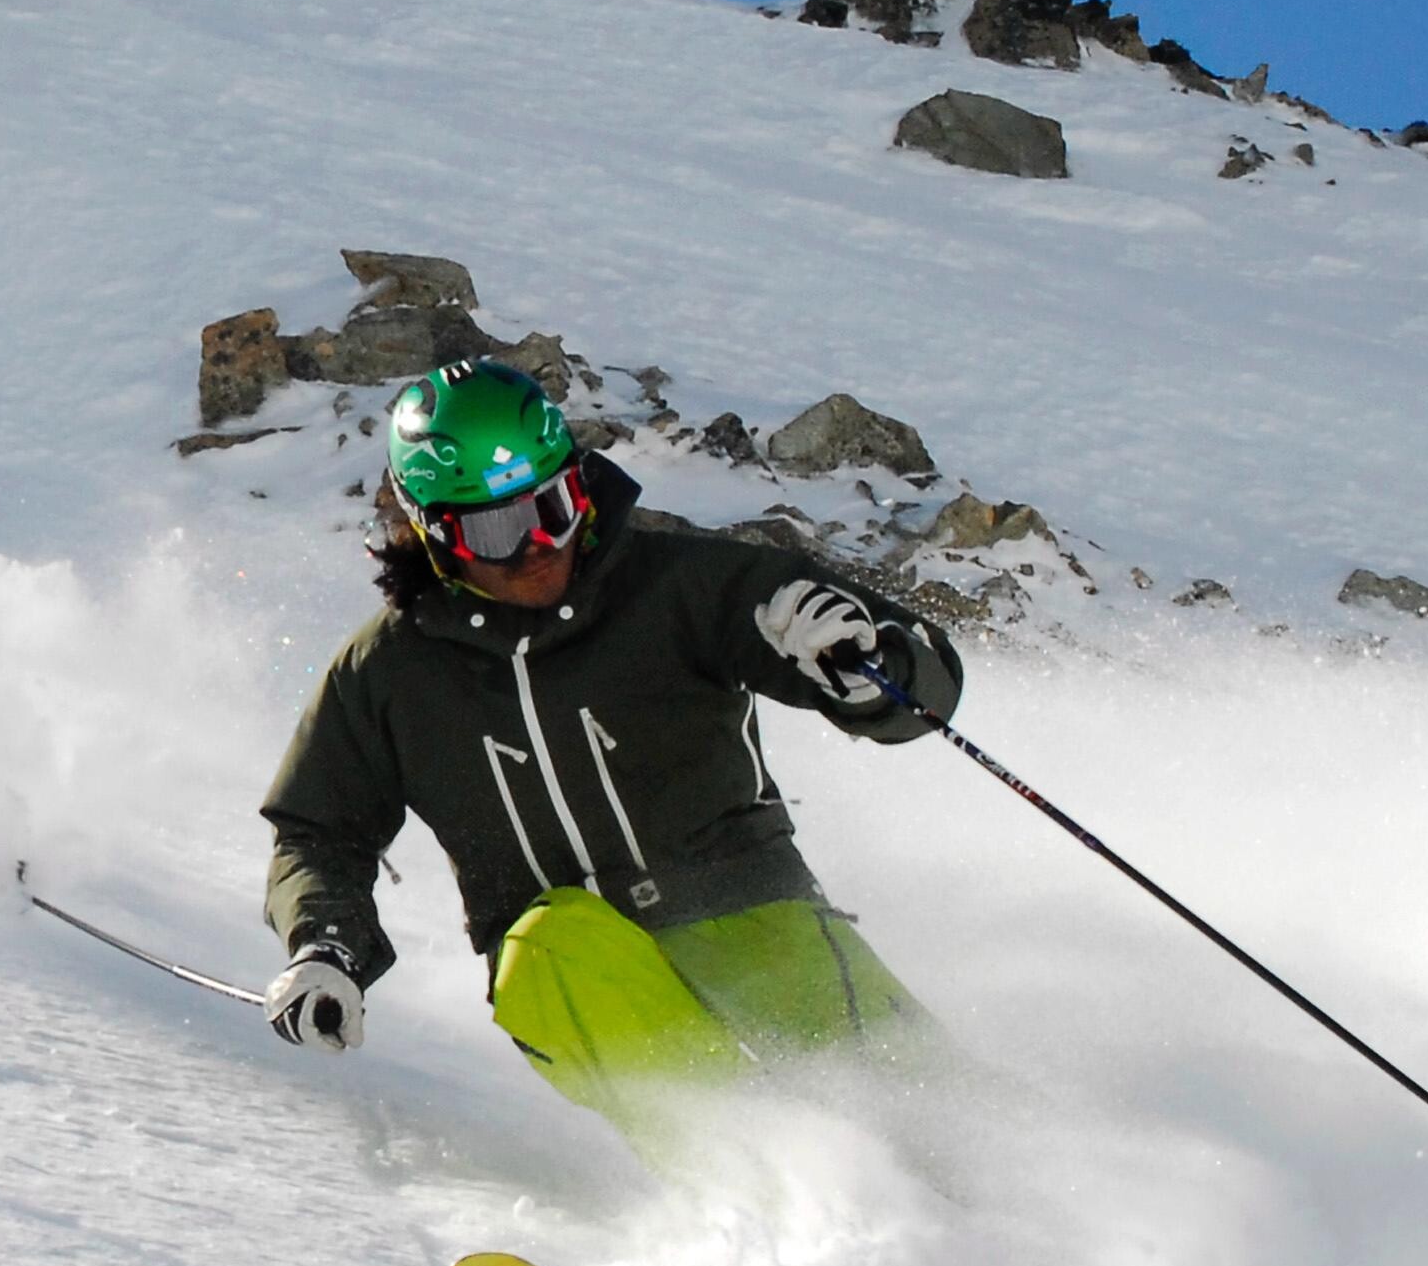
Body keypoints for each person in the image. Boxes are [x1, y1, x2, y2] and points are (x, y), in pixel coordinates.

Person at [257, 358, 965, 1147]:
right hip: (577, 971)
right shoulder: (388, 673)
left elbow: (922, 684)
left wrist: (872, 669)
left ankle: (1046, 1217)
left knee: (927, 1107)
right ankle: (784, 1202)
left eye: (553, 506)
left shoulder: (681, 588)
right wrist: (325, 945)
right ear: (435, 533)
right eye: (497, 528)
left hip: (752, 911)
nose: (536, 545)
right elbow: (317, 831)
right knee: (545, 945)